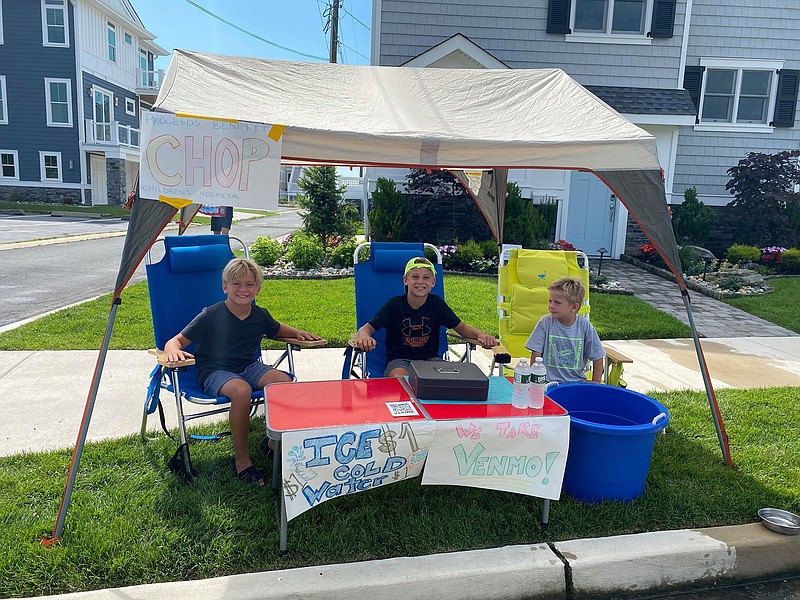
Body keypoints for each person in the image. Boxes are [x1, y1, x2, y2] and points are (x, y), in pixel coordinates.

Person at [164, 257, 320, 486]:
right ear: (224, 287)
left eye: (249, 284)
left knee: (283, 382)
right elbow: (176, 340)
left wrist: (299, 333)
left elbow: (276, 330)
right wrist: (172, 351)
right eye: (236, 284)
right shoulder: (211, 315)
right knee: (241, 390)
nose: (243, 289)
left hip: (247, 365)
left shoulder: (260, 315)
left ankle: (271, 445)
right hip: (213, 370)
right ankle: (242, 461)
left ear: (258, 289)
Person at [353, 256, 497, 377]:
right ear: (405, 280)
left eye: (426, 277)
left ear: (433, 282)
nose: (420, 281)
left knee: (452, 380)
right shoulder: (394, 305)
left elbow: (462, 328)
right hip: (400, 361)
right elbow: (366, 329)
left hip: (431, 361)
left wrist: (482, 336)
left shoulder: (437, 305)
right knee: (401, 379)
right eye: (415, 277)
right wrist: (364, 337)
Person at [525, 277, 604, 383]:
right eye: (550, 301)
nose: (551, 306)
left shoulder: (585, 326)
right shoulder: (545, 322)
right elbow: (536, 353)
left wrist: (596, 382)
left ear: (574, 307)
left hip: (576, 383)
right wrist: (535, 380)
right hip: (548, 382)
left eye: (557, 302)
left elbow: (597, 355)